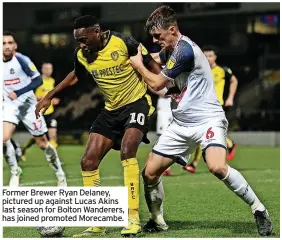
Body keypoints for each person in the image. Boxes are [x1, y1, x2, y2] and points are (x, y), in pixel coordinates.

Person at [129, 6, 272, 236]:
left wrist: (137, 64)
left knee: (217, 167)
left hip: (208, 120)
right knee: (150, 173)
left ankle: (259, 209)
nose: (155, 41)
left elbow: (156, 84)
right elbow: (155, 59)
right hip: (181, 124)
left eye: (158, 36)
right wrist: (134, 56)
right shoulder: (171, 49)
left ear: (172, 29)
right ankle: (157, 221)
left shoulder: (185, 50)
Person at [35, 15, 161, 237]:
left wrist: (165, 84)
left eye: (84, 38)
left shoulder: (124, 42)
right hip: (111, 110)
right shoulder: (82, 54)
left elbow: (151, 63)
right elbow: (75, 75)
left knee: (127, 151)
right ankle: (97, 222)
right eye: (77, 40)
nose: (81, 44)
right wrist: (49, 95)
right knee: (88, 161)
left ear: (97, 31)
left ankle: (133, 219)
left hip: (136, 105)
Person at [2, 31, 67, 187]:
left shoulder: (22, 60)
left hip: (29, 106)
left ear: (15, 45)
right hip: (10, 106)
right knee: (3, 138)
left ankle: (60, 173)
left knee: (43, 144)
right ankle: (15, 170)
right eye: (3, 43)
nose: (7, 46)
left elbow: (37, 80)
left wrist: (18, 92)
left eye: (10, 43)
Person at [184, 45, 238, 173]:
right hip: (201, 106)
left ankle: (194, 163)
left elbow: (234, 81)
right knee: (204, 133)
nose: (207, 58)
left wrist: (230, 97)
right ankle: (229, 143)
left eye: (210, 56)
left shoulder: (223, 70)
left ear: (215, 57)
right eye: (205, 56)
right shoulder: (198, 70)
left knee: (202, 133)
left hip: (216, 106)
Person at [21, 62, 60, 161]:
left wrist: (53, 100)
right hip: (38, 113)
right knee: (37, 137)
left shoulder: (52, 81)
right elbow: (30, 96)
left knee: (53, 135)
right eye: (46, 68)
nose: (49, 70)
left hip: (50, 112)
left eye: (50, 68)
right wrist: (44, 98)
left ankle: (53, 157)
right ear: (42, 70)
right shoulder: (37, 81)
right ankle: (23, 149)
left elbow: (50, 94)